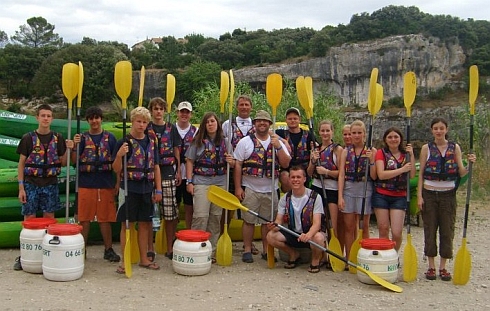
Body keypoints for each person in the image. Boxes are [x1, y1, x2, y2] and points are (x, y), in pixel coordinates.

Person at [14, 104, 73, 271]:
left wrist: (69, 149)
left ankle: (48, 253)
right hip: (31, 183)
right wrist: (21, 188)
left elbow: (63, 162)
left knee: (49, 218)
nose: (46, 118)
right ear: (37, 118)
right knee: (29, 219)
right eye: (43, 115)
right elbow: (21, 164)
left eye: (48, 116)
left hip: (50, 183)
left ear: (52, 118)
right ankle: (25, 255)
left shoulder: (58, 138)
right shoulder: (28, 138)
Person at [417, 117, 476, 281]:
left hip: (448, 195)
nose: (438, 131)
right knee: (430, 229)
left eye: (441, 128)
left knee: (447, 230)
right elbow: (421, 173)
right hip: (429, 193)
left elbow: (462, 172)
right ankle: (431, 266)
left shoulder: (454, 147)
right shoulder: (425, 149)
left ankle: (443, 267)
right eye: (435, 128)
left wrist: (470, 165)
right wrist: (420, 196)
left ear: (446, 130)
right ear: (432, 130)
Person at [234, 110, 291, 263]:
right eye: (259, 121)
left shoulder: (277, 142)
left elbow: (286, 163)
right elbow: (238, 165)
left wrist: (278, 146)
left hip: (270, 189)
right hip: (250, 187)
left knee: (268, 222)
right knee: (248, 220)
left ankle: (267, 250)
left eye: (265, 121)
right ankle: (247, 249)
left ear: (269, 124)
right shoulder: (245, 142)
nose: (262, 123)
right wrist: (238, 188)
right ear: (255, 123)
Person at [113, 106, 162, 274]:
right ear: (133, 122)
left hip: (147, 188)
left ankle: (143, 259)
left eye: (144, 122)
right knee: (126, 224)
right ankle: (124, 260)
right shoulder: (124, 142)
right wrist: (119, 155)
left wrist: (159, 189)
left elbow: (156, 167)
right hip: (129, 188)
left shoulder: (151, 142)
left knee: (144, 224)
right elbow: (116, 169)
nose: (141, 125)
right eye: (138, 121)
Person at [71, 107, 120, 262]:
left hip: (105, 182)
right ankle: (81, 250)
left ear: (101, 119)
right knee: (84, 219)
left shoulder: (110, 138)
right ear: (87, 121)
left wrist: (117, 183)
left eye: (97, 118)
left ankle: (108, 249)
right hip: (86, 183)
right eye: (91, 118)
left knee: (105, 218)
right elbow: (74, 161)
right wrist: (74, 146)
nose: (94, 121)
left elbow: (116, 163)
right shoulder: (82, 138)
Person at [185, 112, 234, 263]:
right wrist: (189, 182)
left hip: (220, 182)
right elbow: (189, 161)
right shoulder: (198, 141)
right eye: (207, 122)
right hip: (201, 181)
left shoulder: (225, 142)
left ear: (217, 123)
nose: (210, 124)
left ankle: (210, 252)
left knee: (215, 217)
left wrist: (230, 161)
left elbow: (232, 163)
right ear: (204, 125)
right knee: (201, 216)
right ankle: (195, 248)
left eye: (213, 121)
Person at [266, 166, 326, 272]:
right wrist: (273, 226)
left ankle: (315, 260)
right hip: (293, 233)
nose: (295, 180)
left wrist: (308, 235)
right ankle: (293, 254)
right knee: (270, 236)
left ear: (304, 179)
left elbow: (317, 224)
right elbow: (279, 221)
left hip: (310, 234)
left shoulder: (315, 197)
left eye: (298, 177)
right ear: (289, 180)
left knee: (319, 238)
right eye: (293, 177)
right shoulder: (285, 198)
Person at [221, 95, 259, 254]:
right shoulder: (227, 124)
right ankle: (223, 236)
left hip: (250, 172)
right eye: (241, 105)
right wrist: (227, 158)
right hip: (231, 169)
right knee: (228, 207)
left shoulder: (256, 125)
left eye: (247, 105)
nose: (244, 107)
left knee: (248, 207)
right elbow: (222, 143)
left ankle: (248, 243)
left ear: (251, 107)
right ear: (237, 107)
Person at [147, 97, 181, 261]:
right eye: (155, 109)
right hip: (148, 174)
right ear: (151, 111)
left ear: (164, 111)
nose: (158, 111)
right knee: (147, 214)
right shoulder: (146, 128)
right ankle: (149, 248)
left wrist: (179, 171)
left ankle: (169, 248)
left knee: (169, 214)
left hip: (168, 172)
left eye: (161, 109)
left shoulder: (171, 128)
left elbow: (176, 150)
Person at [338, 120, 377, 262]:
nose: (356, 135)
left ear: (364, 134)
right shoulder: (345, 151)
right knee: (349, 227)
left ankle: (365, 257)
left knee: (363, 226)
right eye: (353, 133)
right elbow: (341, 174)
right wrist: (340, 196)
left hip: (365, 189)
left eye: (359, 133)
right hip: (349, 189)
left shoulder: (371, 151)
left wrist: (371, 161)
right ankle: (350, 257)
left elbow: (374, 176)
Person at [372, 127, 416, 252]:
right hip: (381, 194)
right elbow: (381, 174)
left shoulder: (405, 154)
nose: (393, 139)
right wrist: (401, 170)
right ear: (385, 140)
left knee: (397, 232)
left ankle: (394, 254)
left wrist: (411, 155)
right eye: (390, 137)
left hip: (399, 195)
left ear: (400, 139)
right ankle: (385, 256)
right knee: (383, 228)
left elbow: (412, 174)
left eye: (396, 137)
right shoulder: (381, 153)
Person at [307, 121, 343, 255]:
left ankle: (334, 254)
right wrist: (312, 161)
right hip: (317, 188)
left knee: (332, 224)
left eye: (328, 130)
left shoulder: (338, 150)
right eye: (322, 131)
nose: (325, 133)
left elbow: (341, 173)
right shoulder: (316, 150)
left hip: (332, 189)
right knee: (319, 223)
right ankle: (321, 254)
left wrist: (326, 172)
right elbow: (309, 173)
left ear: (332, 131)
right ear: (319, 132)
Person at [276, 107, 313, 193]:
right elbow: (267, 132)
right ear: (286, 120)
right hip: (288, 167)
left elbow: (317, 147)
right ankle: (290, 198)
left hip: (303, 169)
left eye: (295, 118)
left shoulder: (308, 135)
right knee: (285, 176)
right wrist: (283, 140)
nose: (292, 120)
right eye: (290, 119)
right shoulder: (281, 133)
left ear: (299, 119)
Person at [174, 101, 197, 229]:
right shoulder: (171, 129)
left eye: (187, 112)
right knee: (174, 205)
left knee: (189, 205)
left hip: (190, 174)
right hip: (173, 172)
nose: (184, 114)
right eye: (182, 111)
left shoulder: (196, 131)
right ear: (177, 113)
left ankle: (188, 231)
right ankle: (172, 234)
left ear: (191, 115)